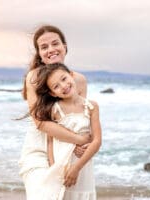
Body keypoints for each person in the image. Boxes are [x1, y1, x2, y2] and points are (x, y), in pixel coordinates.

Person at [18, 25, 92, 200]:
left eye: (55, 43)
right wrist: (80, 139)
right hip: (38, 149)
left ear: (64, 46)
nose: (51, 50)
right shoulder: (34, 78)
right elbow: (40, 123)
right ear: (40, 54)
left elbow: (82, 119)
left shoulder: (79, 80)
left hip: (68, 149)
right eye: (44, 47)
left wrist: (84, 143)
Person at [34, 63, 102, 199]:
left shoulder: (91, 106)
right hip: (61, 169)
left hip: (82, 167)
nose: (63, 86)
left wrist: (76, 168)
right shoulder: (54, 110)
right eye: (56, 86)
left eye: (64, 79)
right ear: (53, 93)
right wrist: (53, 167)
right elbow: (50, 141)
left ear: (71, 75)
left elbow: (97, 141)